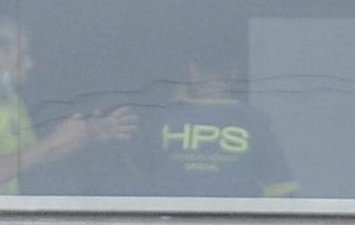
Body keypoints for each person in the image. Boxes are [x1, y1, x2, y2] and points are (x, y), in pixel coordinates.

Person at [0, 18, 134, 195]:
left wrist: (88, 133)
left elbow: (34, 159)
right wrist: (55, 139)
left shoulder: (13, 104)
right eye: (23, 55)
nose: (30, 64)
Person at [120, 53, 299, 198]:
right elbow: (281, 190)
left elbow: (134, 178)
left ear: (191, 71)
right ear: (233, 74)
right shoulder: (255, 122)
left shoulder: (161, 118)